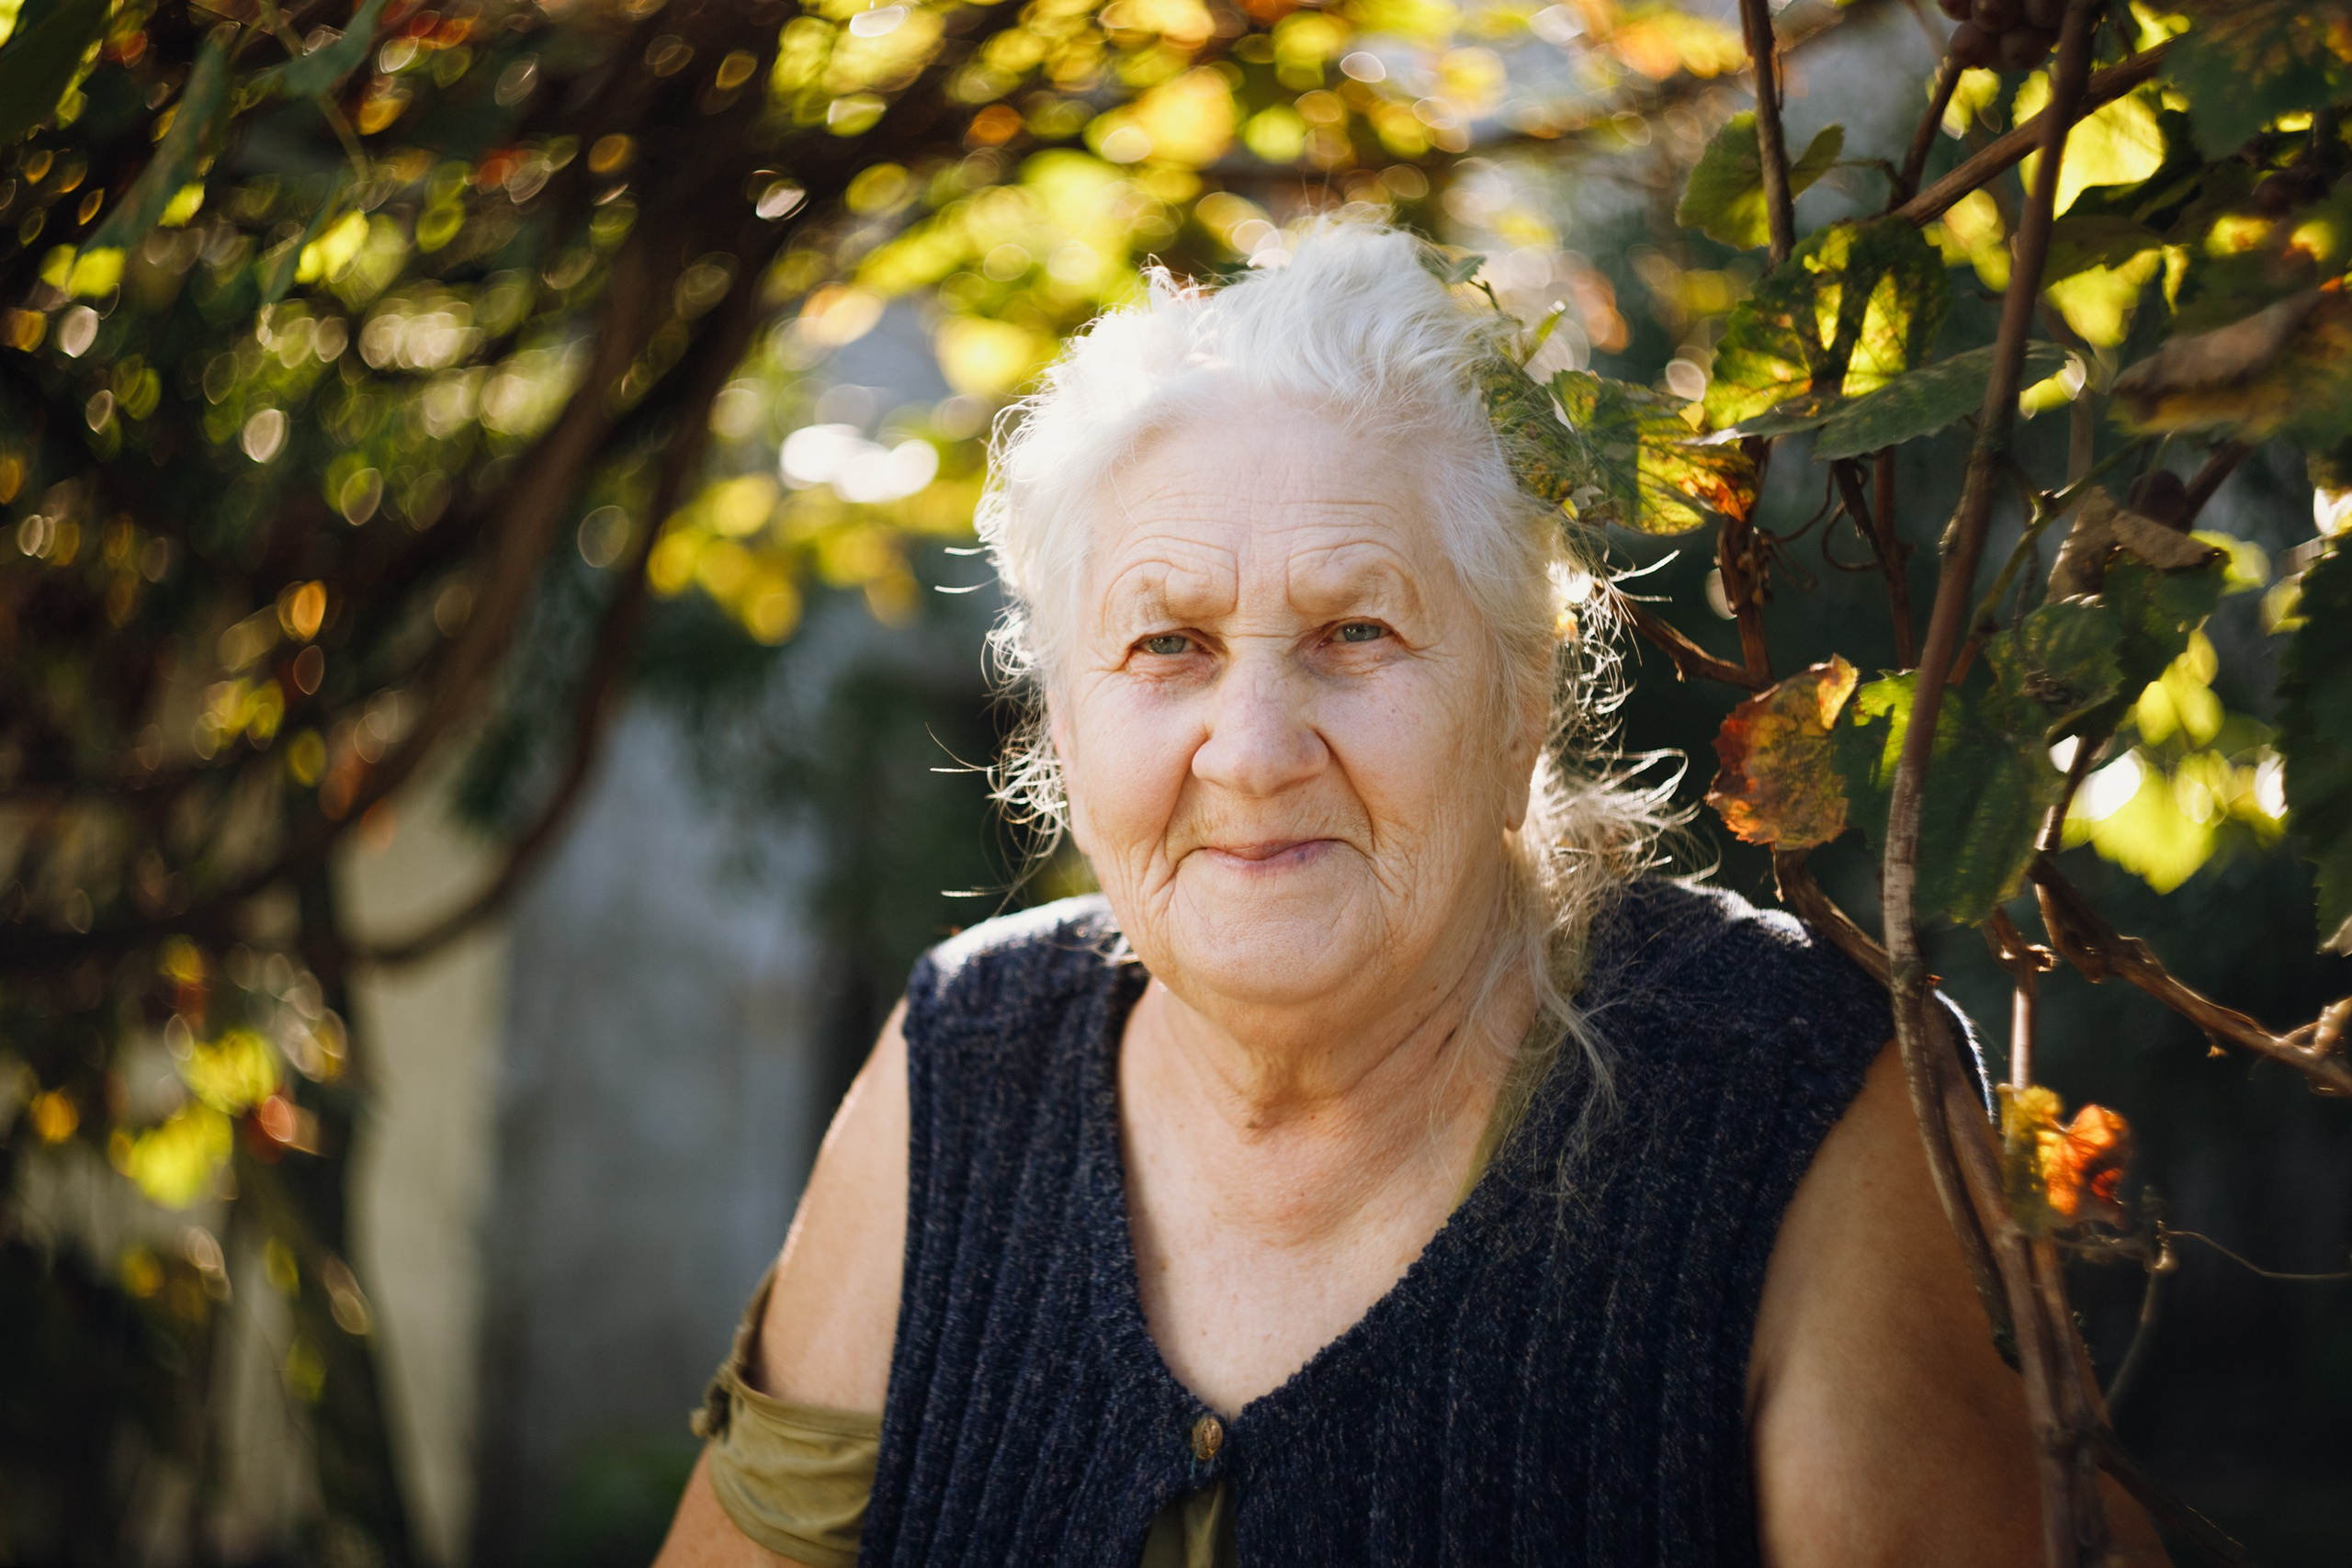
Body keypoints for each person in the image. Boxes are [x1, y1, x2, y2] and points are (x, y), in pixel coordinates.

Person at [654, 223, 2161, 1566]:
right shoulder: (961, 1069)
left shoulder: (1801, 1105)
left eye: (1357, 632)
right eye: (1166, 644)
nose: (1250, 753)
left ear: (1522, 695)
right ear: (1058, 716)